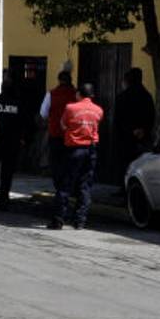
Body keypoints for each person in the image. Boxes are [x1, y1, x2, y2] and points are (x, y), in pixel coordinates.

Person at [52, 83, 104, 230]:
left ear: (79, 94)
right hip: (91, 149)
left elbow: (63, 126)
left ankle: (58, 219)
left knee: (65, 185)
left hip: (74, 150)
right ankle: (80, 221)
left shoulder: (70, 108)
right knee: (85, 185)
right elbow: (96, 125)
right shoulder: (98, 110)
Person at [0, 78, 33, 210]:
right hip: (12, 145)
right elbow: (27, 125)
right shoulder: (20, 106)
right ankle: (3, 201)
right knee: (7, 174)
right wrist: (25, 140)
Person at [113, 68, 155, 192]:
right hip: (142, 138)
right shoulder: (147, 96)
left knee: (125, 165)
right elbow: (151, 116)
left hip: (125, 138)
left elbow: (118, 119)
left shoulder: (122, 97)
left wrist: (129, 131)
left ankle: (124, 189)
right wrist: (143, 130)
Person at [39, 70, 77, 195]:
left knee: (56, 163)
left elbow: (43, 114)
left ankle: (60, 188)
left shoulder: (52, 94)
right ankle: (68, 187)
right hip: (72, 136)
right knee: (70, 162)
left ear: (59, 80)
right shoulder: (76, 94)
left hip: (55, 134)